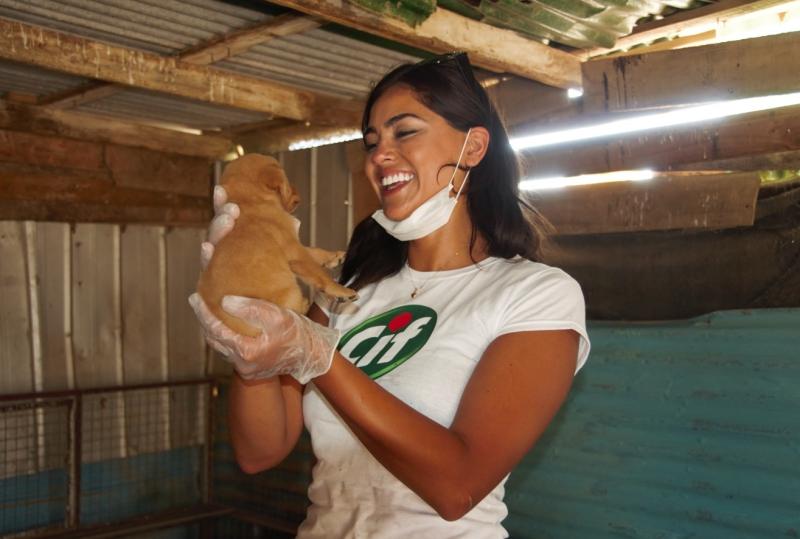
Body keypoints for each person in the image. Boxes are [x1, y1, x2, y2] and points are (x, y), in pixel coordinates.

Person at [189, 52, 590, 538]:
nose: (379, 156)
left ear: (473, 147)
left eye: (405, 132)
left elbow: (457, 487)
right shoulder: (350, 290)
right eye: (372, 142)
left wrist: (319, 357)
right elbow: (260, 452)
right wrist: (250, 343)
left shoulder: (536, 294)